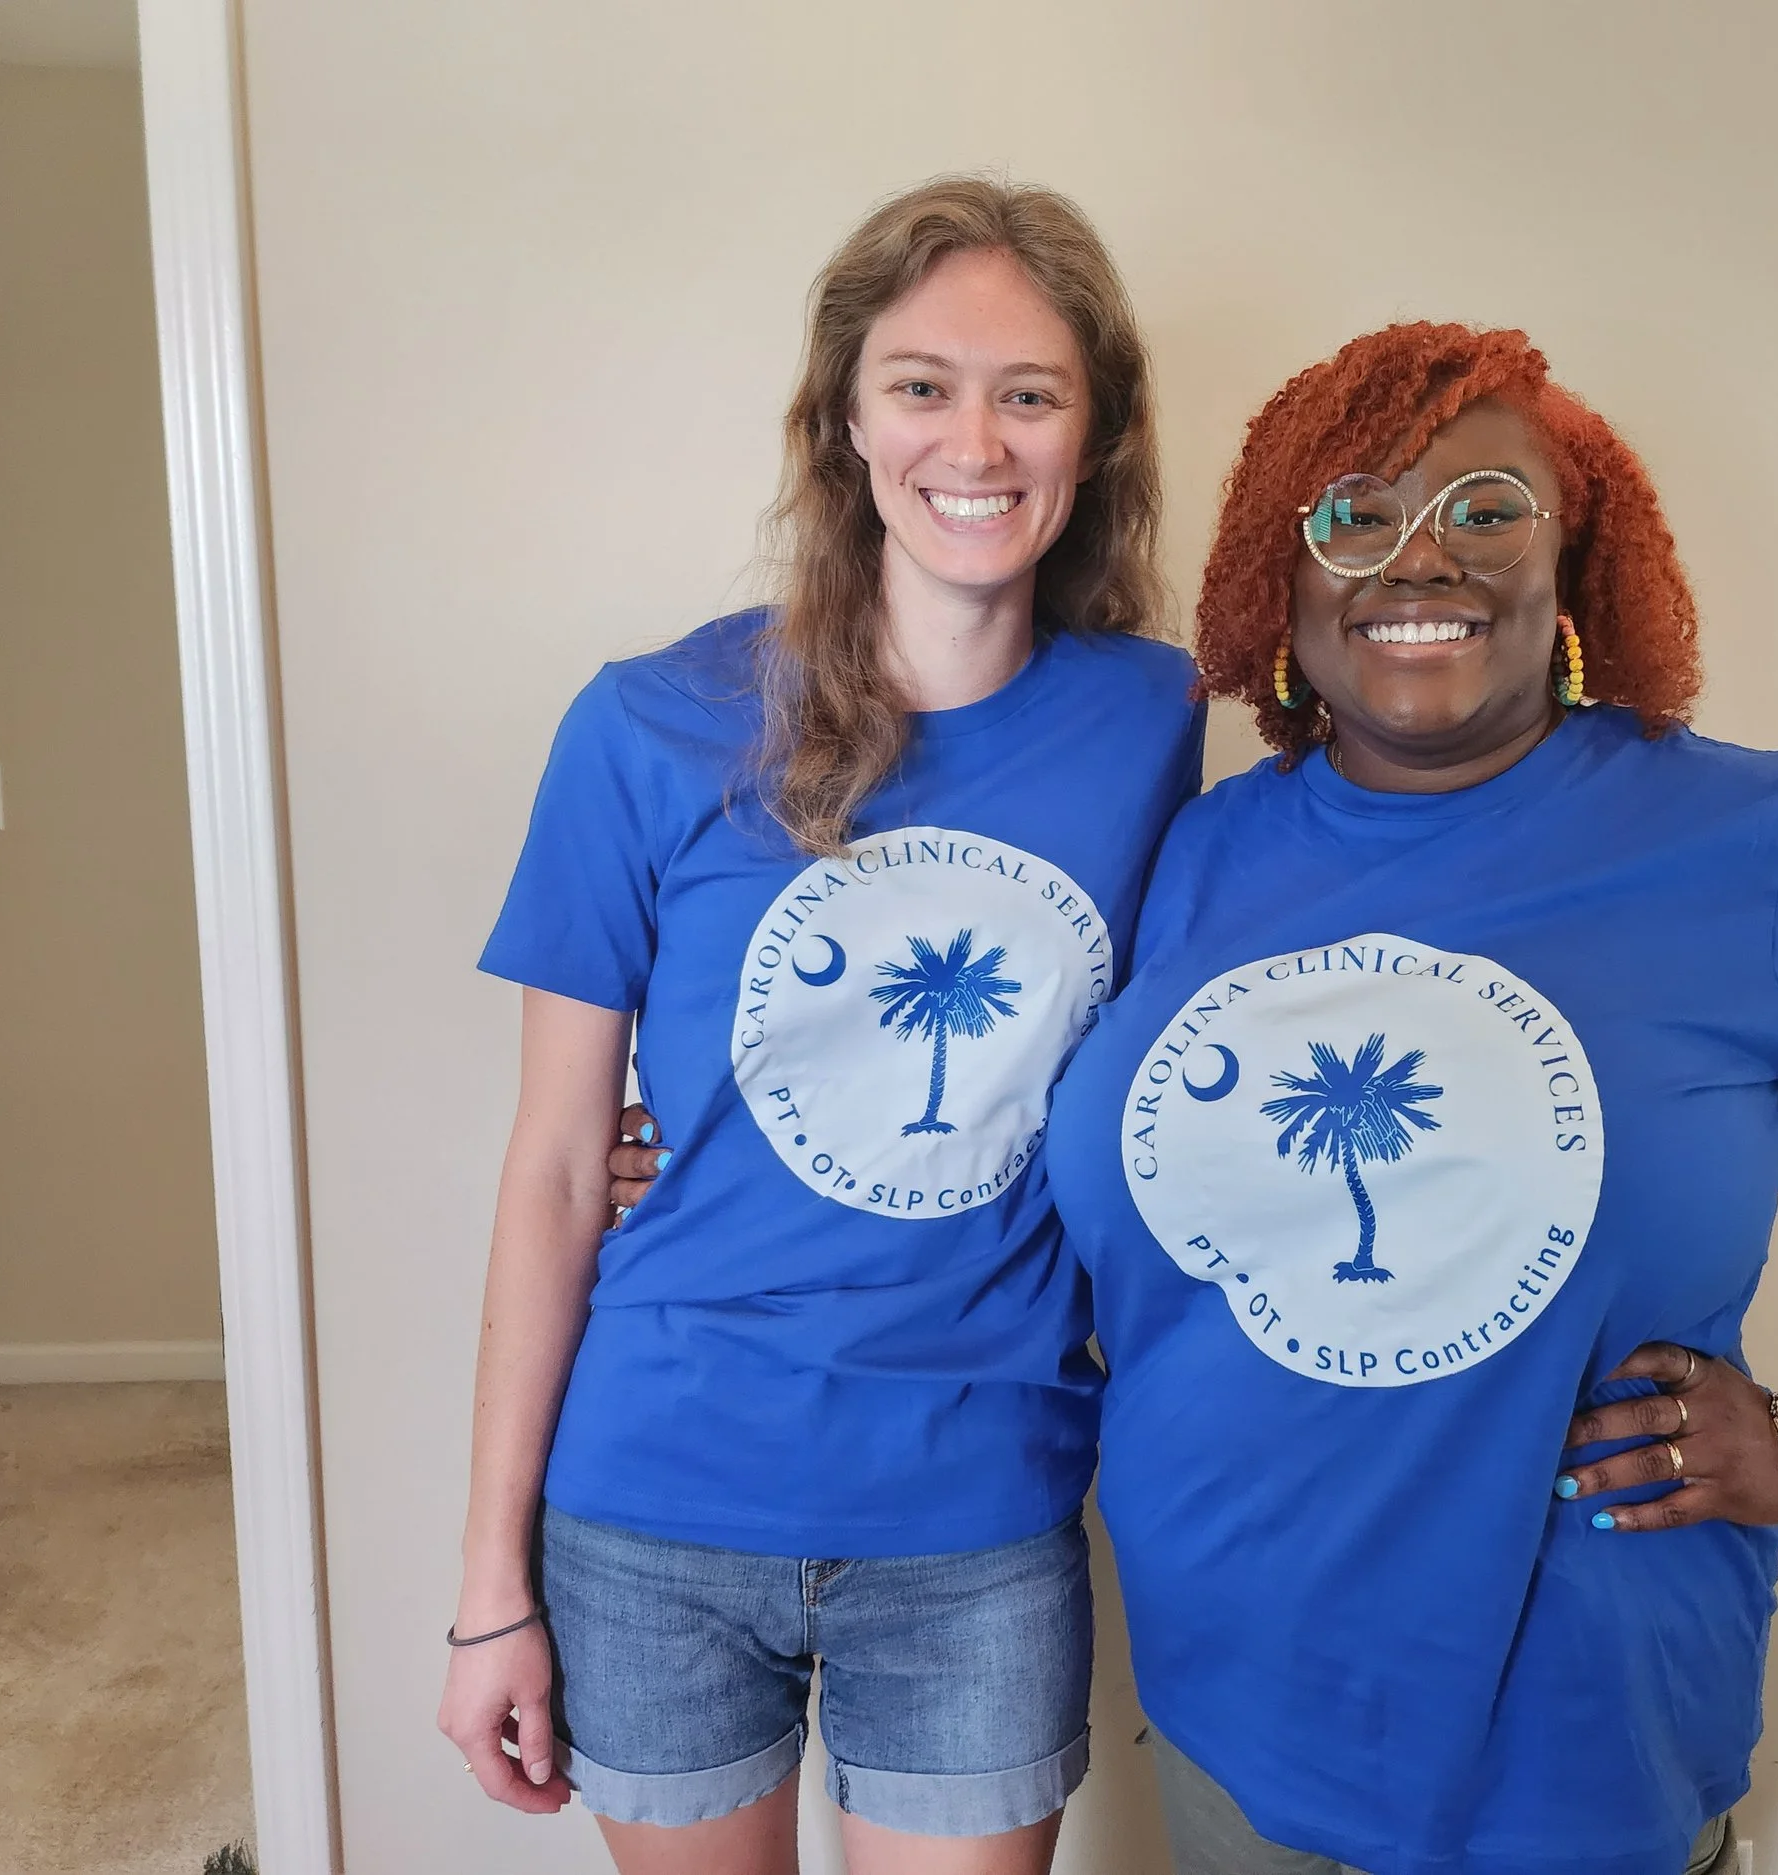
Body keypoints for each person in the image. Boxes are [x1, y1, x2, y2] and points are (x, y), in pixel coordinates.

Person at [607, 320, 1778, 1875]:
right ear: (1287, 580)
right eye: (1355, 516)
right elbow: (1014, 1071)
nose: (1420, 561)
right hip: (1227, 1706)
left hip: (1570, 1738)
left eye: (1487, 510)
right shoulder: (1202, 847)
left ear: (1578, 561)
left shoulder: (1752, 842)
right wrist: (713, 1139)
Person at [436, 175, 1203, 1875]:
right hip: (652, 1508)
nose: (976, 443)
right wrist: (491, 1588)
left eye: (1030, 392)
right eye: (922, 385)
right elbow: (561, 1165)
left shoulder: (1162, 726)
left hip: (979, 1515)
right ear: (845, 418)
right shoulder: (647, 727)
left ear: (1095, 434)